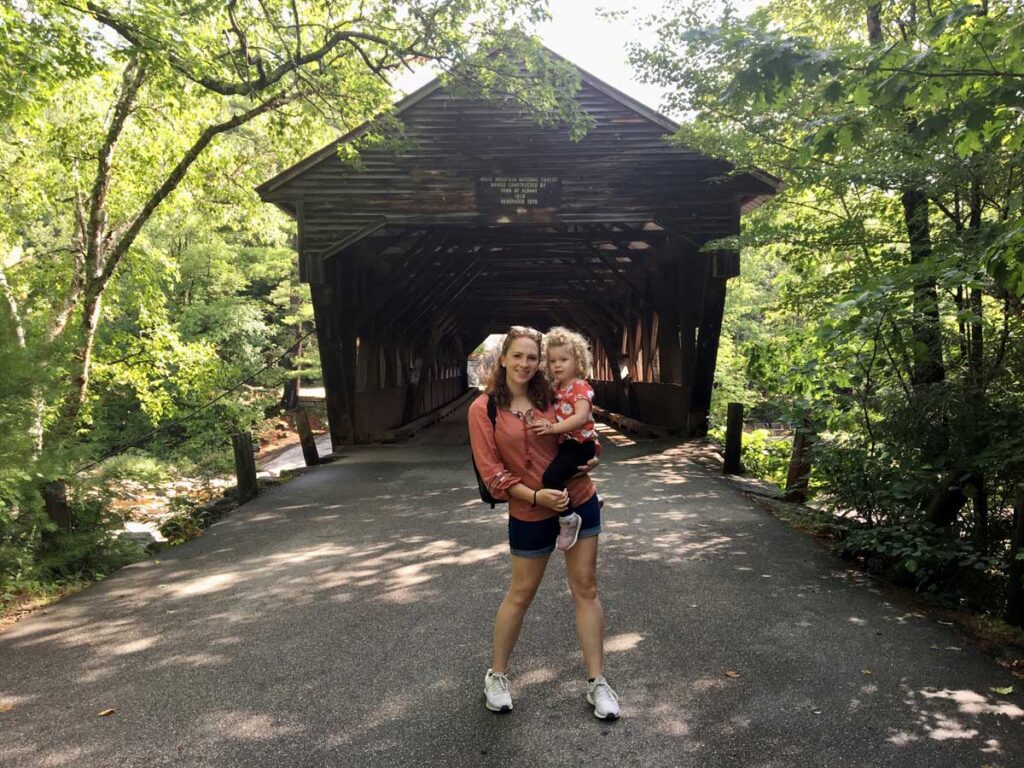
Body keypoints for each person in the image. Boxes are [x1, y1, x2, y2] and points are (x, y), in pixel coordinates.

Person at [468, 325, 620, 720]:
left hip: (579, 498)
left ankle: (597, 682)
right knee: (521, 593)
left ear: (541, 363)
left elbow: (585, 435)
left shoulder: (554, 396)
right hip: (530, 511)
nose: (525, 363)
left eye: (532, 357)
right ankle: (497, 675)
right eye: (517, 355)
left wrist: (594, 456)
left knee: (586, 588)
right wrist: (536, 496)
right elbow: (493, 473)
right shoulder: (484, 409)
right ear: (503, 358)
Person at [531, 326, 599, 553]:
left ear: (577, 361)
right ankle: (588, 505)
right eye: (552, 361)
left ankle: (569, 517)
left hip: (580, 445)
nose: (557, 365)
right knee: (559, 473)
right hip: (569, 444)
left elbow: (580, 418)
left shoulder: (580, 387)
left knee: (551, 477)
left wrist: (552, 428)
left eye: (564, 359)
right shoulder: (557, 387)